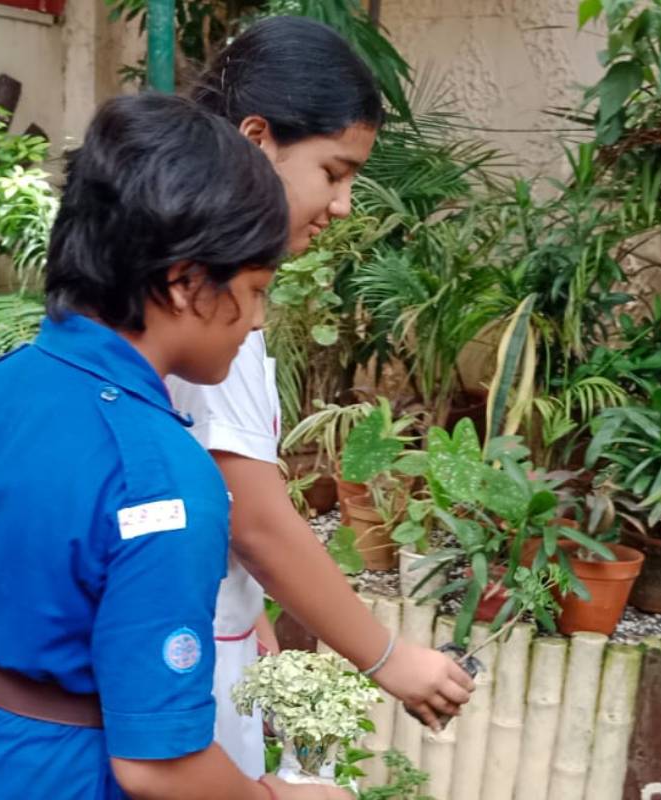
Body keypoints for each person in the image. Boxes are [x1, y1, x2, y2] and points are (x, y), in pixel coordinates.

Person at [0, 93, 347, 800]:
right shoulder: (161, 480)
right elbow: (157, 763)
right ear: (185, 283)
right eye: (254, 288)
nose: (256, 319)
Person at [167, 16, 473, 778]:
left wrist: (251, 614)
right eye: (334, 173)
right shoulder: (209, 308)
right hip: (177, 668)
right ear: (257, 138)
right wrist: (389, 657)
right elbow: (254, 516)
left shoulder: (201, 286)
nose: (343, 205)